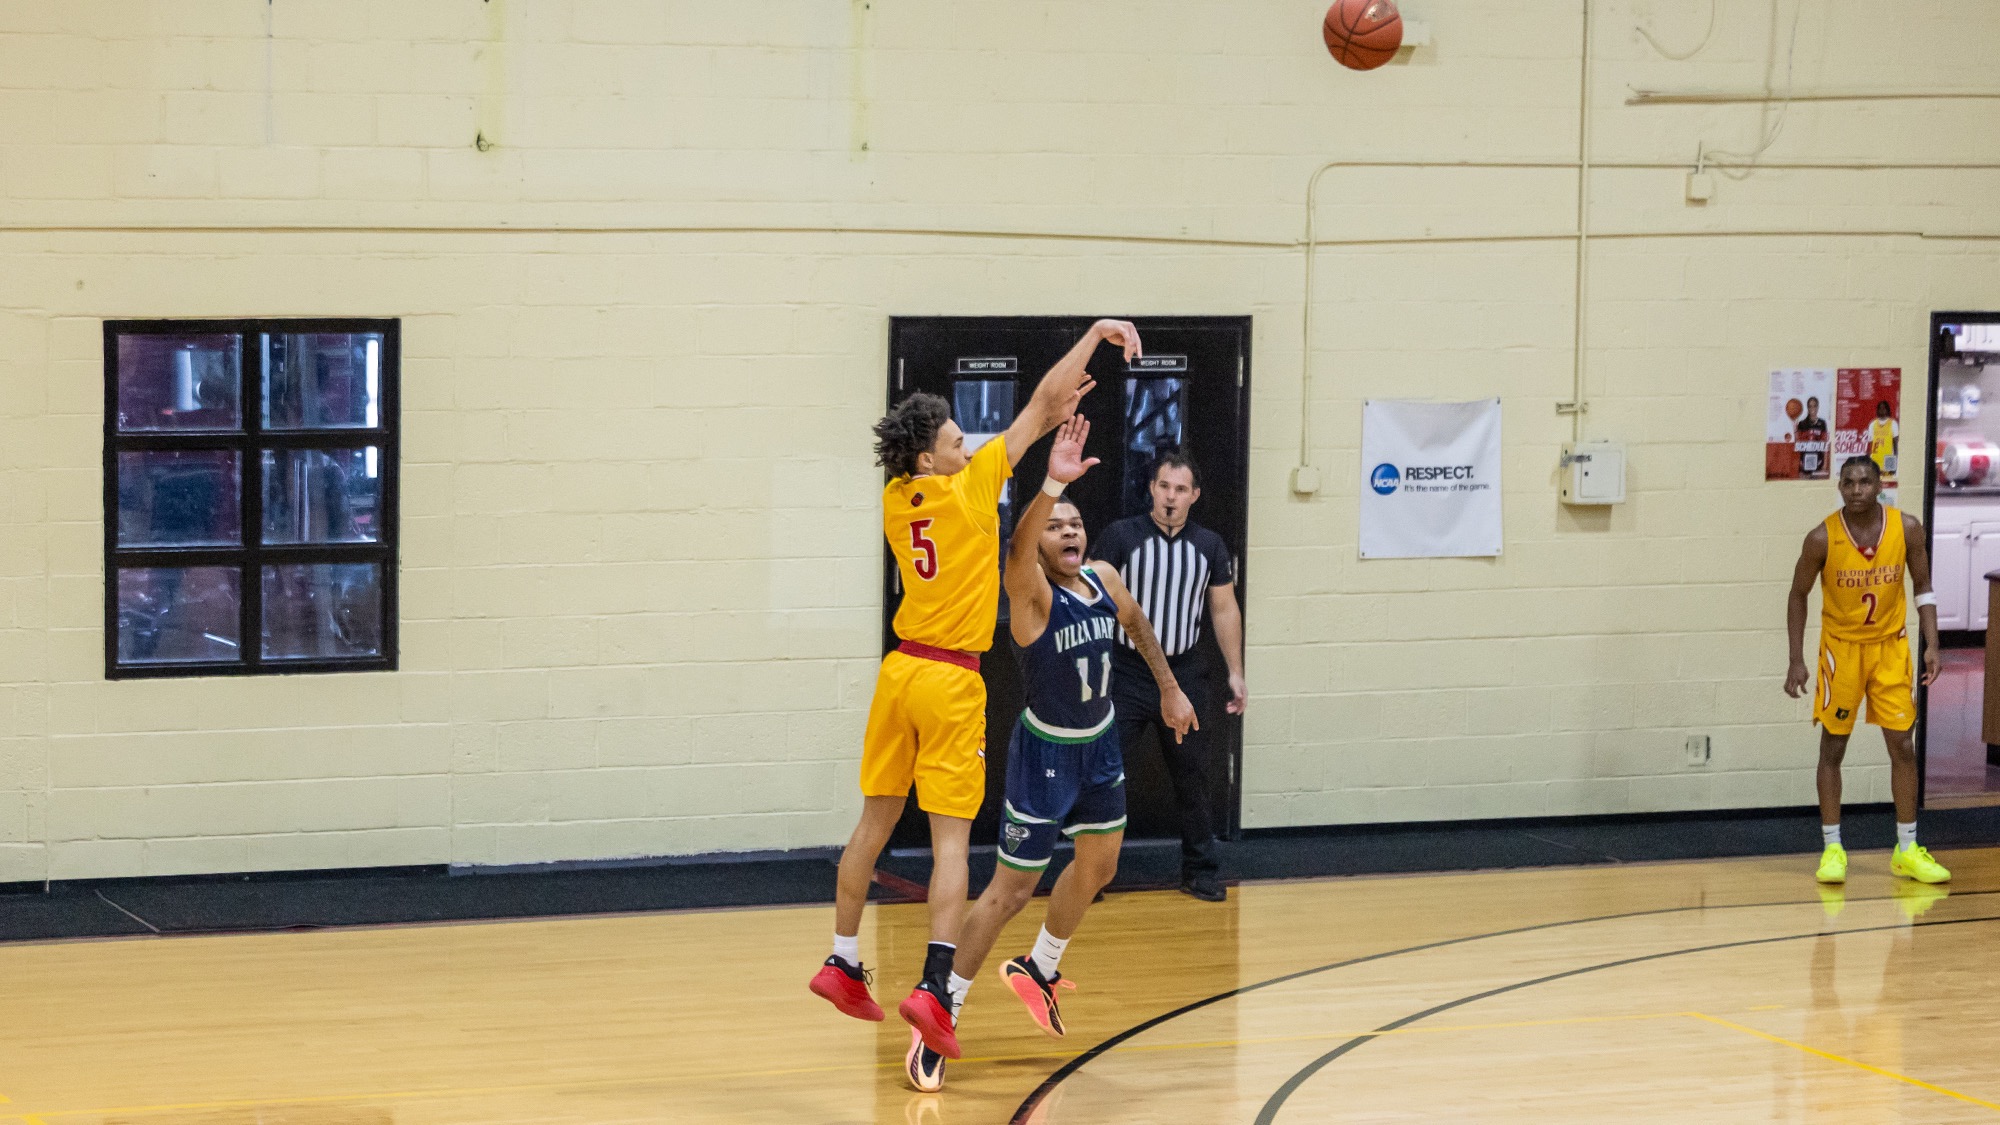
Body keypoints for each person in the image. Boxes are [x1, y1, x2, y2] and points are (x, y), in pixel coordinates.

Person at [808, 319, 1144, 1052]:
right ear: (931, 457)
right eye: (958, 442)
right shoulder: (967, 491)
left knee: (873, 822)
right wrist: (1093, 337)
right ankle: (935, 986)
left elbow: (1031, 419)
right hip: (950, 678)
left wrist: (1047, 443)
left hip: (898, 671)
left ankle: (842, 958)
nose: (969, 448)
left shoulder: (898, 495)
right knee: (951, 840)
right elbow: (1044, 403)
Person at [903, 415, 1195, 1092]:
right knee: (1009, 892)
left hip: (1099, 746)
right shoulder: (1031, 594)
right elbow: (1017, 546)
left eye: (1075, 524)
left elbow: (1138, 625)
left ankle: (1040, 966)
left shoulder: (1104, 579)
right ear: (1037, 545)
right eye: (1056, 526)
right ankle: (942, 1008)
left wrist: (1170, 688)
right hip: (1044, 757)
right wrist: (1050, 486)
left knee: (1100, 865)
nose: (1069, 532)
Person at [1784, 455, 1948, 886]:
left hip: (1890, 649)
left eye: (1864, 482)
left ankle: (1907, 849)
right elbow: (1798, 594)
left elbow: (1923, 587)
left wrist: (1933, 643)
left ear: (1879, 485)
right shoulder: (1822, 537)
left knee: (1903, 746)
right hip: (1842, 653)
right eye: (1848, 482)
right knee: (1833, 748)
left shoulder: (1907, 527)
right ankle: (1833, 848)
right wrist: (1796, 658)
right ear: (1840, 487)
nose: (1856, 490)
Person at [1091, 450, 1245, 901]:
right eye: (1164, 487)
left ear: (1194, 495)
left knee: (1193, 776)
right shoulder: (1121, 536)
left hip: (1186, 672)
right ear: (1151, 490)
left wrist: (1236, 671)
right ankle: (1089, 874)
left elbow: (1223, 608)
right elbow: (1090, 599)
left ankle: (1200, 870)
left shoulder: (1210, 545)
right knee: (1104, 774)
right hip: (1127, 673)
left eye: (1180, 489)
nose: (1171, 497)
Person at [1794, 396, 1829, 477]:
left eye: (1814, 406)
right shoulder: (1802, 423)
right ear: (1807, 408)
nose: (1812, 408)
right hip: (1804, 462)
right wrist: (1799, 463)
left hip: (1818, 462)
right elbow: (1798, 444)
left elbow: (1825, 444)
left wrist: (1825, 464)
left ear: (1818, 407)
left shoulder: (1822, 423)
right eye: (1810, 406)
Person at [1869, 399, 1899, 476]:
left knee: (1888, 481)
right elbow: (1870, 445)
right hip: (1875, 458)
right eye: (1880, 408)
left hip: (1888, 458)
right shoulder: (1873, 424)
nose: (1882, 410)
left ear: (1887, 410)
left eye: (1884, 408)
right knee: (1875, 480)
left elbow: (1896, 445)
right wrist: (1869, 462)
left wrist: (1894, 464)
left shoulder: (1893, 424)